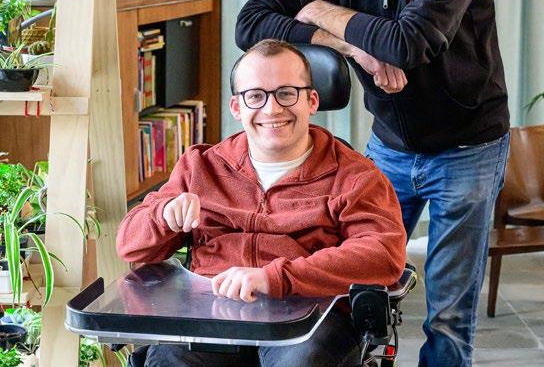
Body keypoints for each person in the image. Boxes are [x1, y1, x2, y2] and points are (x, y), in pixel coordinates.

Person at [235, 0, 510, 366]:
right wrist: (351, 46)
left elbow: (410, 42)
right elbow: (251, 22)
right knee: (356, 288)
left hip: (468, 146)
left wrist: (322, 10)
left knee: (448, 316)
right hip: (389, 145)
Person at [117, 39, 406, 367]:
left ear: (311, 101)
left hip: (311, 316)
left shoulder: (355, 176)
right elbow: (130, 246)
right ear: (236, 107)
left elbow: (382, 255)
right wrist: (162, 216)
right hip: (210, 312)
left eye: (286, 93)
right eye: (255, 96)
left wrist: (274, 278)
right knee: (169, 359)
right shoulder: (201, 167)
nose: (271, 109)